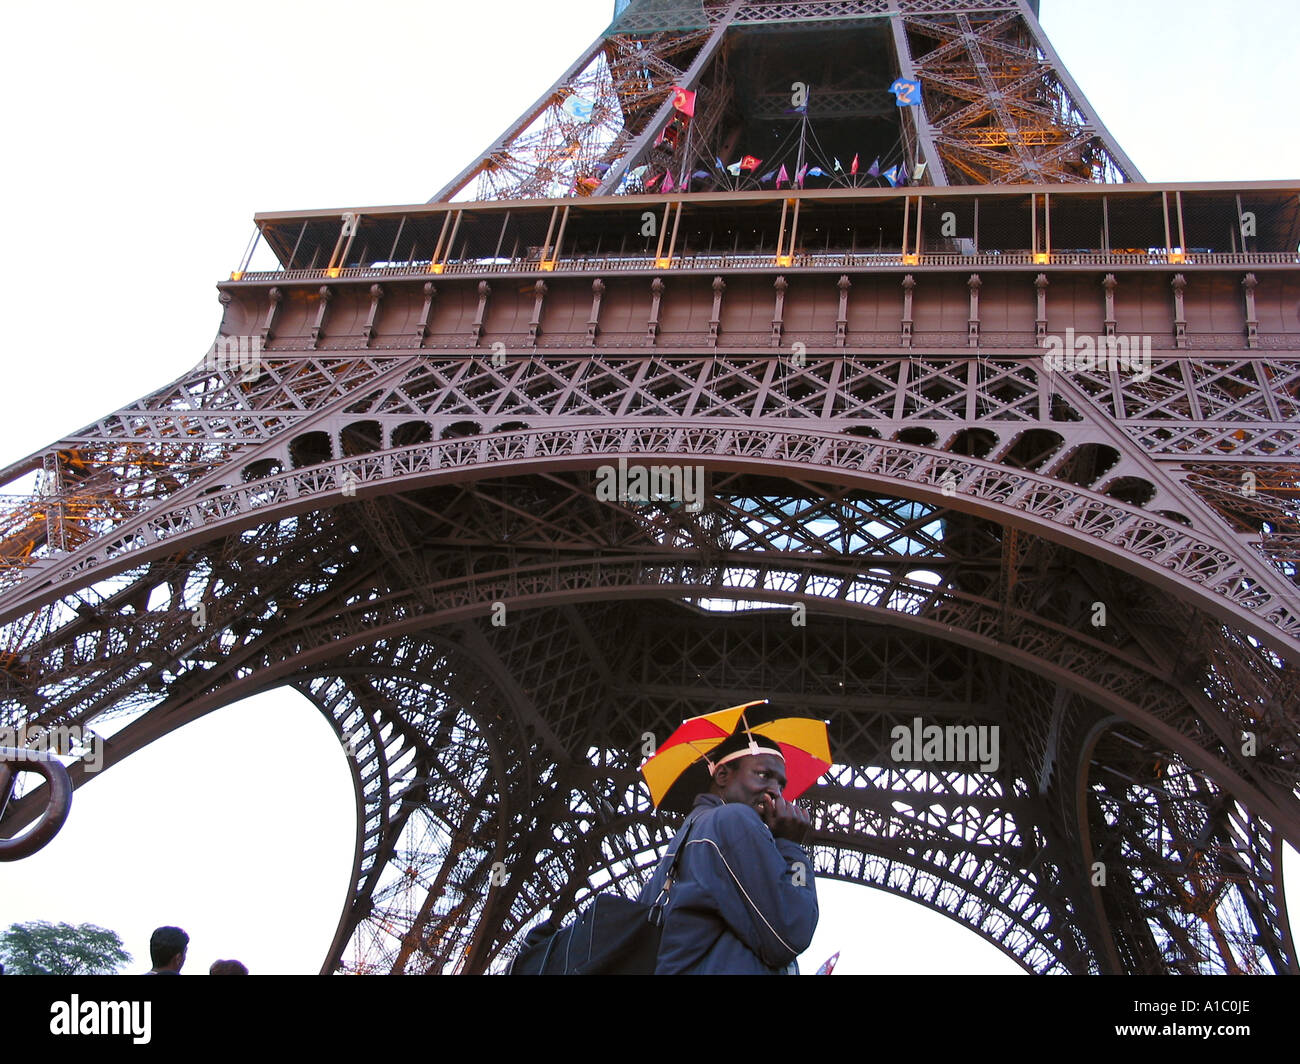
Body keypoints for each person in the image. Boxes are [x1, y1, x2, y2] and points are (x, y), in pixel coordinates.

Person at [638, 733, 818, 973]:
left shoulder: (682, 843)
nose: (775, 792)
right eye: (763, 775)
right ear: (722, 775)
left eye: (781, 785)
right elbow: (791, 932)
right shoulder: (734, 819)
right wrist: (791, 847)